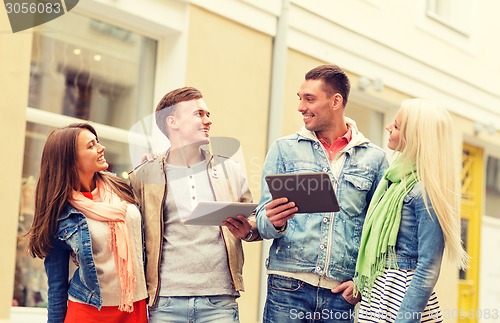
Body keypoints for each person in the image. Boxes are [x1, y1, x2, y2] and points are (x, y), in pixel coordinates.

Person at [255, 64, 388, 323]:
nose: (301, 107)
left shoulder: (374, 159)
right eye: (300, 98)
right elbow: (262, 219)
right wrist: (273, 221)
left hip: (340, 296)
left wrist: (363, 281)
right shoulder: (284, 149)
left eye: (310, 99)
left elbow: (380, 231)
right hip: (287, 287)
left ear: (336, 101)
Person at [128, 86, 260, 323]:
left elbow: (254, 220)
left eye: (208, 114)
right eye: (199, 114)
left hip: (219, 301)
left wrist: (249, 230)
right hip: (165, 301)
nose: (208, 120)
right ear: (173, 122)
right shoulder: (144, 176)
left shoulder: (230, 170)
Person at [354, 98, 469, 323]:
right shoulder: (395, 180)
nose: (389, 128)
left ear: (415, 137)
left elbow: (428, 266)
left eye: (396, 126)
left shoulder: (423, 191)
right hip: (380, 297)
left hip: (402, 302)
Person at [26, 123, 148, 323]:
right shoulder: (60, 214)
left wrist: (152, 167)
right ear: (71, 161)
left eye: (97, 142)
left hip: (135, 306)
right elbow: (57, 285)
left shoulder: (120, 188)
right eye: (91, 146)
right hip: (89, 311)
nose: (101, 148)